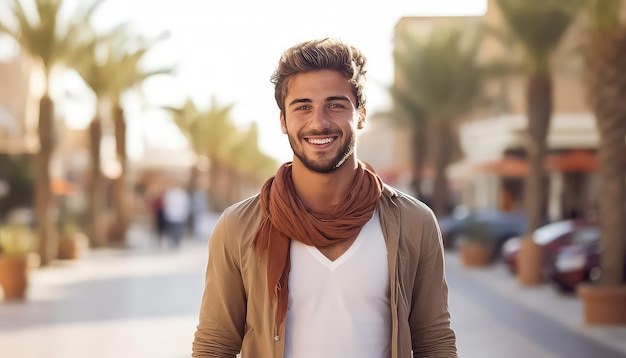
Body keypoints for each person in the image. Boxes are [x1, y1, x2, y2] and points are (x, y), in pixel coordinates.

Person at [192, 38, 457, 357]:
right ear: (283, 121)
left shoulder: (414, 222)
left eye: (336, 104)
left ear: (360, 115)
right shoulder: (238, 227)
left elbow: (434, 340)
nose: (319, 122)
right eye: (302, 106)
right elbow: (215, 343)